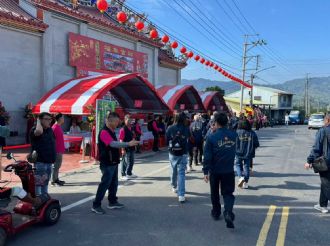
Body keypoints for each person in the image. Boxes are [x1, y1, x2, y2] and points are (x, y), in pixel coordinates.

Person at [92, 112, 139, 214]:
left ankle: (112, 201)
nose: (118, 123)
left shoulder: (111, 131)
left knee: (114, 183)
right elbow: (113, 144)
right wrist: (128, 144)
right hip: (107, 162)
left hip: (113, 161)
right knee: (105, 184)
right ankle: (96, 205)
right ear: (110, 121)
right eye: (117, 121)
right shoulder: (104, 132)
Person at [203, 113, 237, 228]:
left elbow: (207, 156)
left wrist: (205, 171)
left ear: (216, 123)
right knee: (228, 193)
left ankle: (216, 212)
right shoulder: (233, 135)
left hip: (215, 170)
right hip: (228, 169)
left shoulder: (211, 137)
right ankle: (227, 211)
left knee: (214, 192)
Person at [305, 113, 330, 214]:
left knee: (326, 184)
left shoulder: (323, 131)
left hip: (327, 162)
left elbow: (316, 148)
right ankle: (322, 205)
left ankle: (323, 206)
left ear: (327, 121)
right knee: (325, 184)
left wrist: (309, 161)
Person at [30, 112, 56, 196]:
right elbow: (38, 131)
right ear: (40, 120)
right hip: (40, 162)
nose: (49, 121)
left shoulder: (50, 130)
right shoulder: (35, 129)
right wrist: (37, 120)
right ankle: (38, 199)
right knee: (38, 183)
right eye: (46, 119)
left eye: (50, 119)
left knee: (45, 181)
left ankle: (45, 197)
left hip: (49, 162)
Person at [166, 112, 190, 203]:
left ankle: (173, 185)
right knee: (181, 173)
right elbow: (188, 138)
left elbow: (166, 140)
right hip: (183, 152)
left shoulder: (170, 128)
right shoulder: (186, 128)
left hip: (173, 152)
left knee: (173, 170)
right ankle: (181, 195)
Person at [235, 119, 260, 189]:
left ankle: (241, 178)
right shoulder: (252, 133)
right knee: (246, 167)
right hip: (248, 153)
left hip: (238, 152)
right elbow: (256, 144)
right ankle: (245, 182)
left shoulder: (236, 132)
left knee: (238, 165)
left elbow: (232, 142)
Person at [120, 115, 137, 180]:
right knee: (125, 161)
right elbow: (121, 140)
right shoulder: (123, 129)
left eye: (130, 120)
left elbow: (132, 137)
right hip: (126, 148)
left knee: (131, 161)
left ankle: (129, 173)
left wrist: (134, 141)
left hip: (132, 147)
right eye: (128, 120)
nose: (129, 121)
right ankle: (123, 174)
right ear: (125, 120)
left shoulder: (131, 128)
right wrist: (123, 149)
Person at [51, 113, 66, 186]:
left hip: (59, 149)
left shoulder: (58, 126)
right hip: (56, 150)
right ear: (59, 119)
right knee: (56, 165)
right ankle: (53, 180)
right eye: (63, 117)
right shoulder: (54, 127)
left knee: (58, 165)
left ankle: (56, 179)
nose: (63, 119)